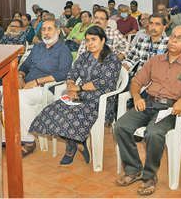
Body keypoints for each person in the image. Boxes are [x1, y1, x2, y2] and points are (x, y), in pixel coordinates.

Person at [114, 26, 181, 196]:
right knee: (120, 126)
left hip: (170, 108)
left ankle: (149, 176)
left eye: (179, 38)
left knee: (153, 133)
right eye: (172, 36)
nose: (174, 40)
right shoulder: (155, 60)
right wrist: (137, 97)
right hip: (148, 103)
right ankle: (133, 169)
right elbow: (136, 82)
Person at [29, 26, 122, 165]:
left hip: (101, 100)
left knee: (72, 113)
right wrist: (71, 88)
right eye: (87, 40)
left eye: (93, 40)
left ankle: (71, 148)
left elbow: (103, 82)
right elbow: (72, 73)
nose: (90, 43)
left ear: (103, 40)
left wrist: (78, 88)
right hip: (80, 95)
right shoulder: (85, 56)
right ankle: (79, 142)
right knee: (51, 111)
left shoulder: (111, 59)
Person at [0, 19, 72, 155]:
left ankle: (28, 140)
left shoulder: (63, 49)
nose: (46, 33)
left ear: (58, 31)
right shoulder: (38, 47)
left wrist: (37, 82)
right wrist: (20, 76)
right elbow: (25, 65)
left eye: (50, 29)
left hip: (47, 89)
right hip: (26, 86)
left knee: (18, 97)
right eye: (43, 29)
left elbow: (64, 73)